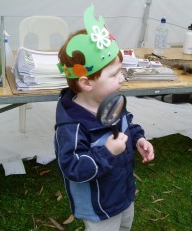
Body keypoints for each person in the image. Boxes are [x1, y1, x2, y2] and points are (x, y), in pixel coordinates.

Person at [54, 5, 154, 231]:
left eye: (121, 72)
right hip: (99, 207)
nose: (122, 79)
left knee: (125, 226)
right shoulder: (72, 125)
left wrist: (138, 139)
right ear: (86, 83)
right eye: (114, 74)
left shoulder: (111, 101)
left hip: (123, 191)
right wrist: (107, 152)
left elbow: (127, 121)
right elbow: (73, 168)